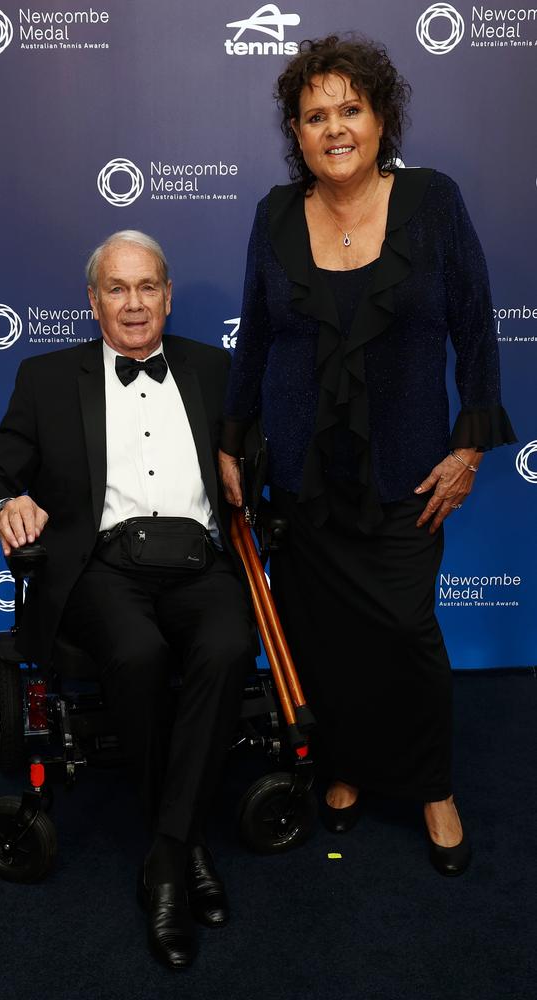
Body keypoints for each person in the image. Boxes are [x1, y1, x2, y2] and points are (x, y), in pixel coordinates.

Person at [219, 35, 516, 877]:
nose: (334, 128)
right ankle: (345, 763)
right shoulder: (274, 215)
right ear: (296, 133)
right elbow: (256, 337)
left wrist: (470, 445)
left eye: (351, 109)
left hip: (408, 468)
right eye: (315, 115)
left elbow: (475, 323)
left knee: (406, 629)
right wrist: (234, 442)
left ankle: (430, 785)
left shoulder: (433, 201)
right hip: (304, 473)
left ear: (383, 119)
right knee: (324, 630)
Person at [0, 230, 256, 969]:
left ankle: (164, 855)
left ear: (167, 294)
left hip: (198, 560)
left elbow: (261, 458)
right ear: (93, 301)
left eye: (147, 287)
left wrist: (251, 469)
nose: (134, 304)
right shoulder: (46, 377)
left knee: (225, 649)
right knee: (137, 653)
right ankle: (186, 857)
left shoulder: (215, 370)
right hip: (102, 567)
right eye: (117, 289)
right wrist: (6, 510)